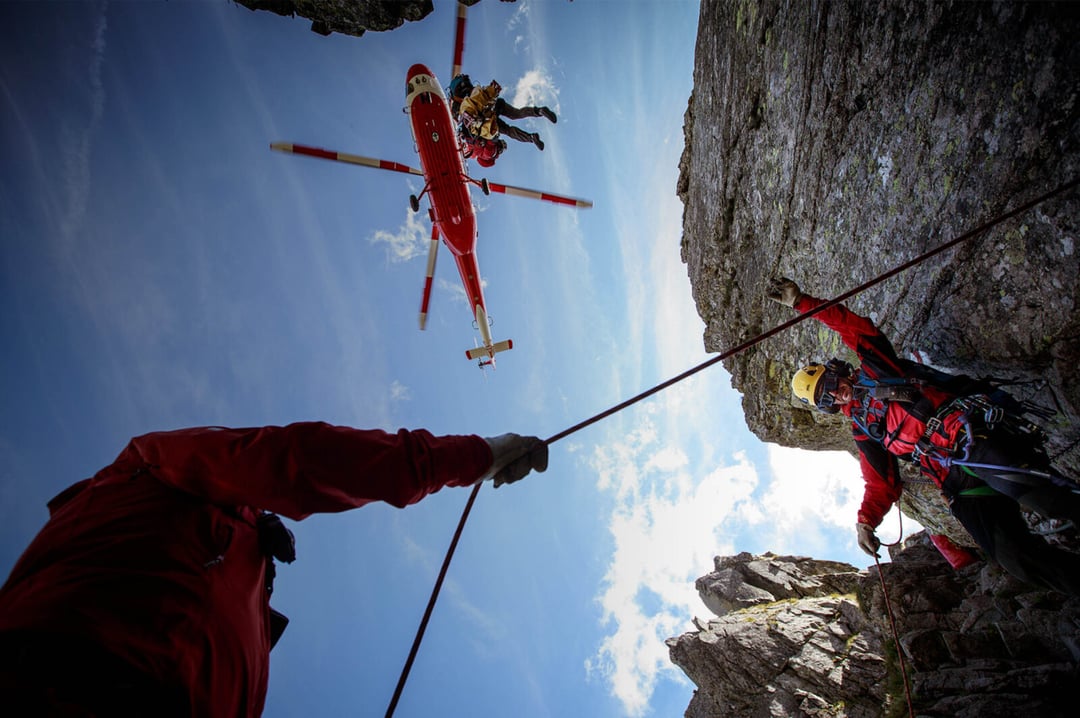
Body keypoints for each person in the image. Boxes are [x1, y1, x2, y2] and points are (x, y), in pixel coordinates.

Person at [0, 422, 548, 717]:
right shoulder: (150, 462)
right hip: (86, 676)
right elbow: (301, 458)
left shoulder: (229, 572)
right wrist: (477, 455)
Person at [767, 277, 1080, 596]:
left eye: (829, 384)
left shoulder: (878, 369)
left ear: (836, 372)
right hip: (954, 480)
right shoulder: (863, 431)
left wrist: (802, 303)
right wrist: (865, 522)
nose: (835, 394)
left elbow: (854, 328)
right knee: (1013, 557)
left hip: (971, 438)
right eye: (825, 399)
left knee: (1048, 499)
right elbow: (881, 483)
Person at [449, 74, 556, 152]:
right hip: (494, 106)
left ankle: (531, 138)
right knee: (517, 113)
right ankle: (539, 111)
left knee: (508, 130)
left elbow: (463, 121)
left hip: (486, 119)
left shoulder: (460, 106)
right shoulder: (474, 91)